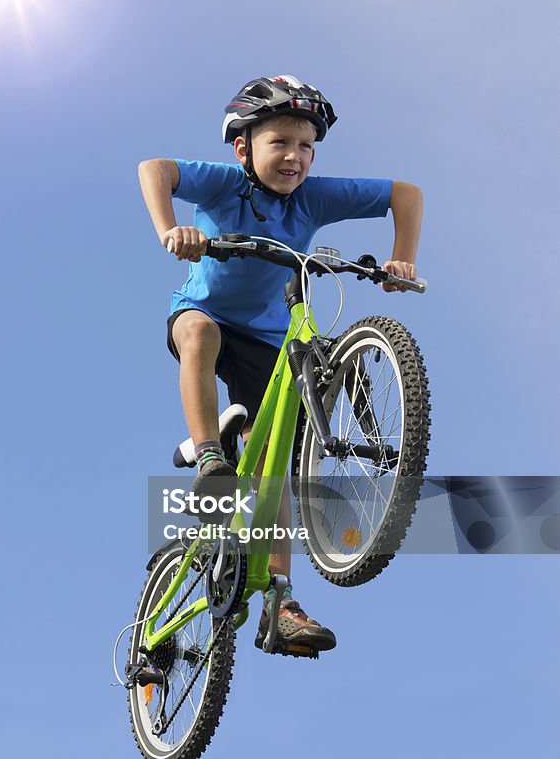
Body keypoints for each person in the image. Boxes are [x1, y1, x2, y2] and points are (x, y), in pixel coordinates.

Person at [139, 75, 423, 656]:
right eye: (279, 144)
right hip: (207, 314)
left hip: (269, 338)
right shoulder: (223, 183)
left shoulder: (313, 197)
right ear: (244, 147)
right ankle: (210, 455)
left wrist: (403, 260)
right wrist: (172, 228)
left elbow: (406, 194)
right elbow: (155, 168)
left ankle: (281, 600)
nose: (294, 157)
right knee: (197, 331)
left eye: (305, 146)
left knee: (273, 469)